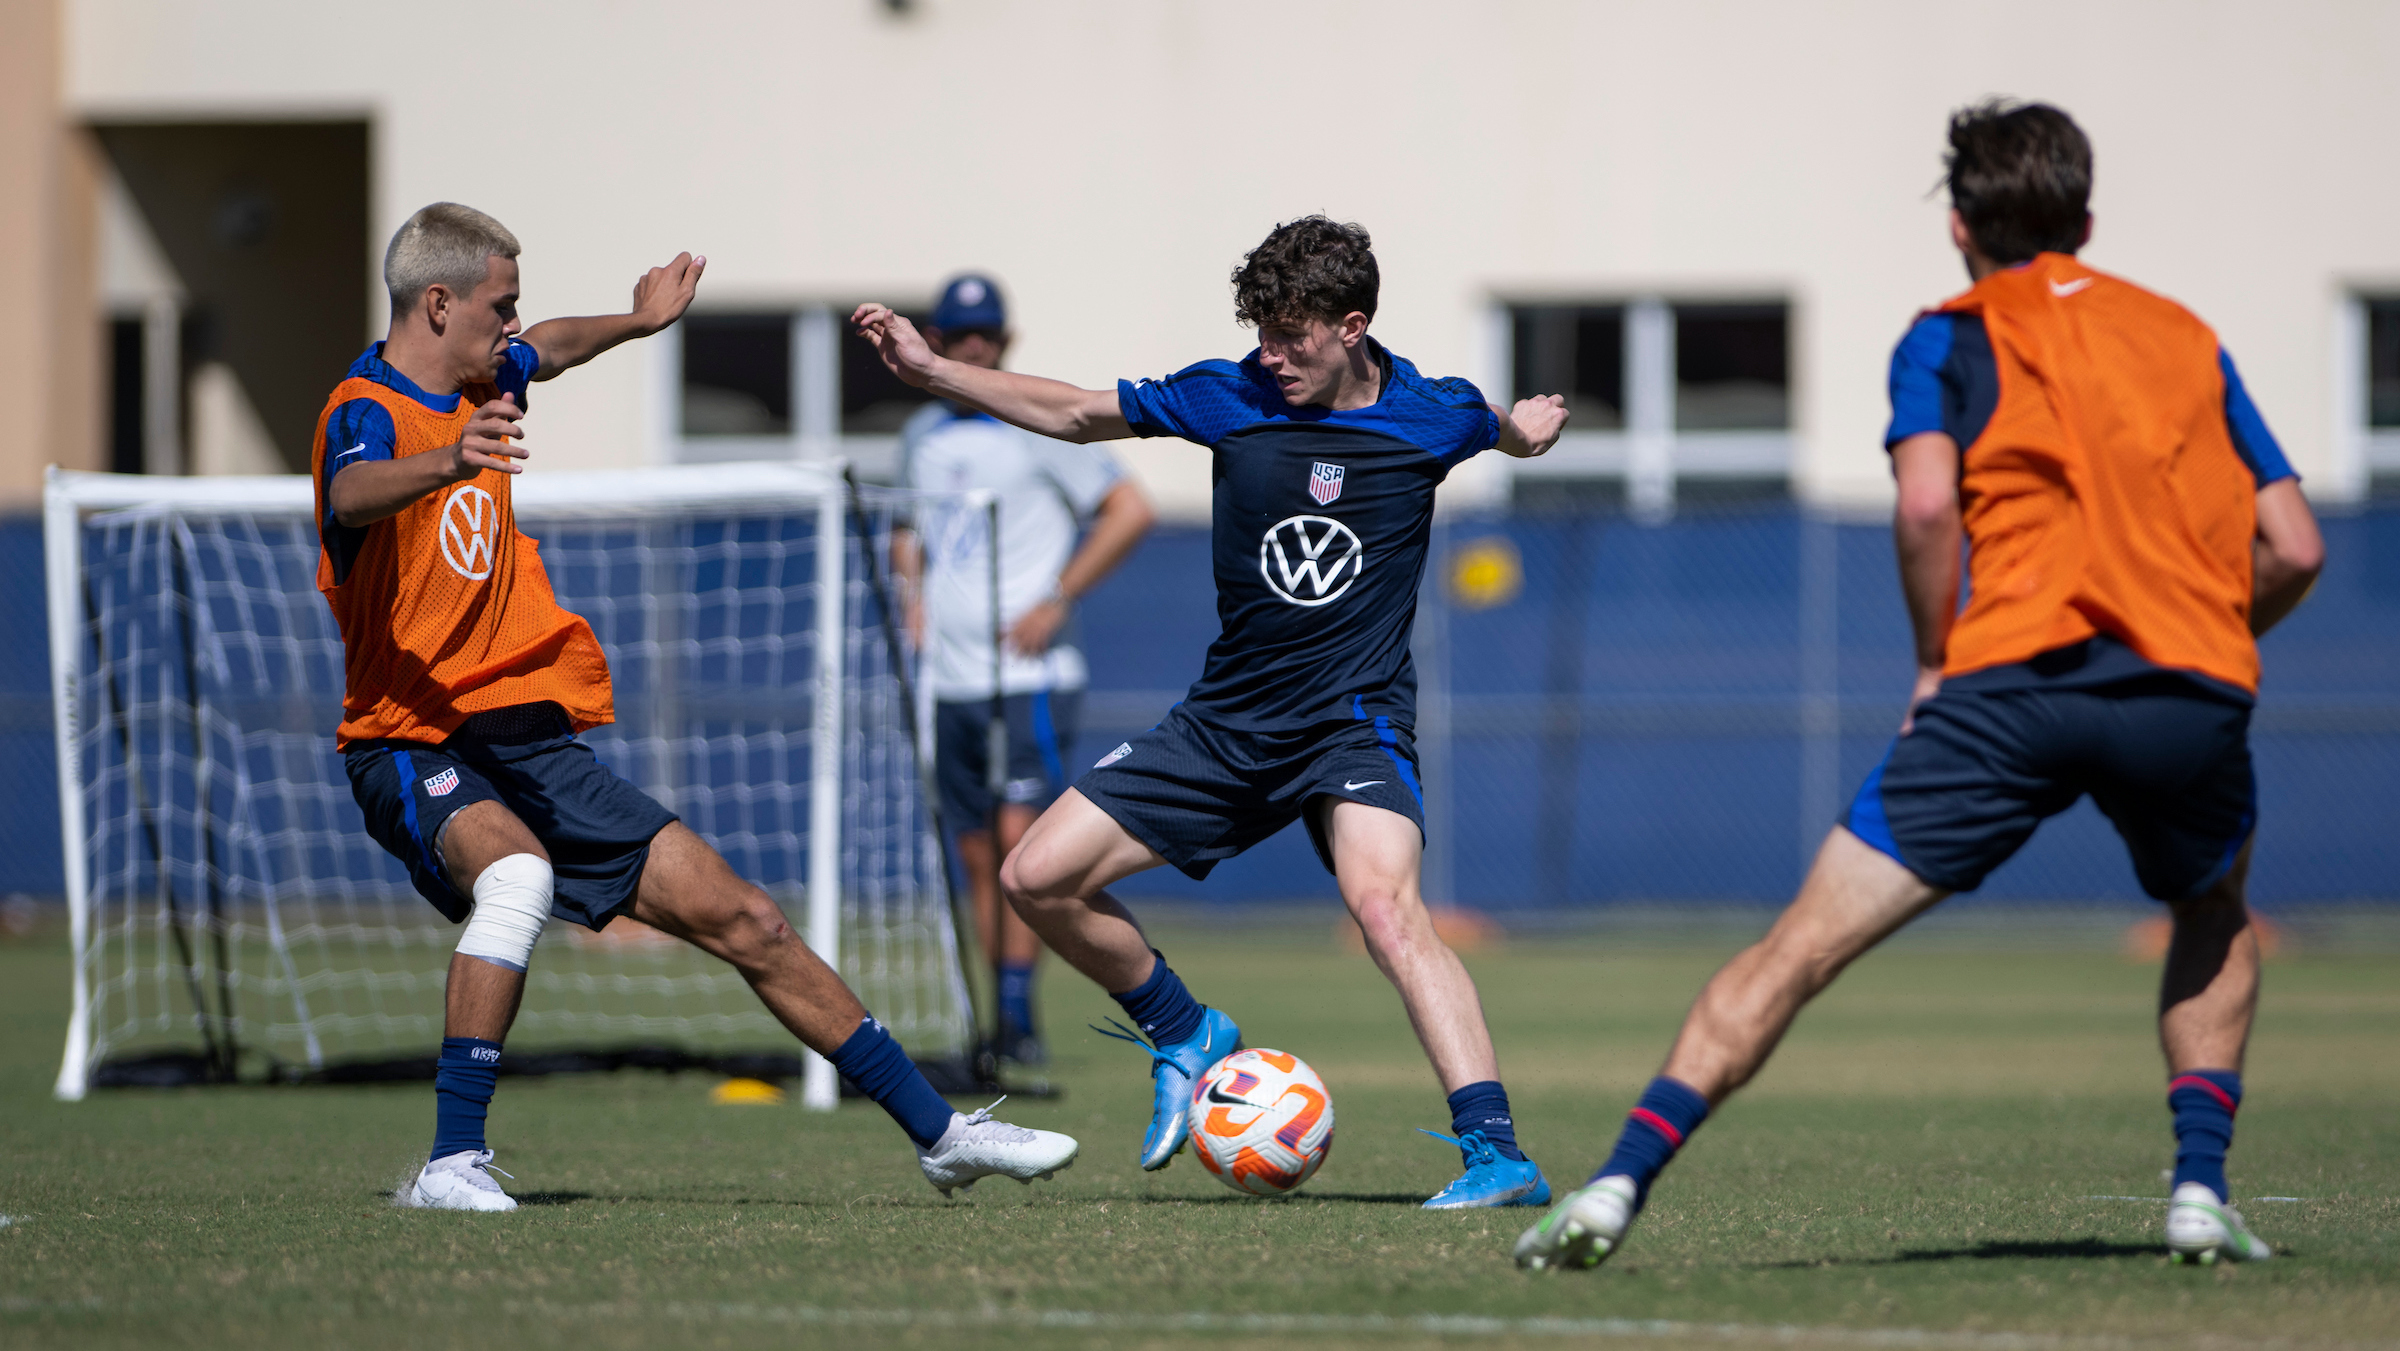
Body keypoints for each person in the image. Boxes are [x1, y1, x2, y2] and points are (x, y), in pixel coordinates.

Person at [1514, 102, 2325, 1271]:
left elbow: (1928, 505)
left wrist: (1937, 657)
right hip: (2184, 697)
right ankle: (2199, 1192)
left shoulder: (1947, 336)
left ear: (1958, 225)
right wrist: (2194, 629)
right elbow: (2295, 543)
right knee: (2211, 911)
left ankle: (1612, 1189)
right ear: (2086, 220)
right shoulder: (2186, 335)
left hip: (2008, 692)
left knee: (1798, 948)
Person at [314, 203, 1076, 1212]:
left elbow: (548, 348)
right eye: (500, 307)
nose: (515, 328)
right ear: (438, 301)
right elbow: (350, 492)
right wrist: (450, 461)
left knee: (749, 918)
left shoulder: (487, 374)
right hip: (409, 737)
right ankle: (452, 1163)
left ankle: (942, 1134)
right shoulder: (364, 408)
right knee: (516, 879)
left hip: (525, 740)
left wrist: (636, 325)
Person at [857, 216, 1571, 1208]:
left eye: (1292, 338)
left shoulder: (1430, 415)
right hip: (1225, 722)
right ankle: (1186, 1031)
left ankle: (1498, 1155)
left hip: (1350, 725)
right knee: (1035, 875)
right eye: (1262, 333)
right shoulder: (1227, 394)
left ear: (1353, 326)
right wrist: (934, 373)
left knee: (1387, 909)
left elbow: (1490, 419)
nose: (1270, 357)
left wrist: (1522, 430)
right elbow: (1069, 411)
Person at [895, 274, 1156, 1066]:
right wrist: (910, 590)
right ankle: (994, 1014)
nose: (974, 349)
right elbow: (910, 529)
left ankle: (1017, 1014)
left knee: (1020, 845)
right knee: (974, 849)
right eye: (958, 337)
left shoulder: (1032, 426)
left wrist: (1057, 597)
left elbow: (1130, 508)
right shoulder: (920, 436)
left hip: (1027, 677)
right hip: (951, 677)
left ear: (1004, 344)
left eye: (987, 338)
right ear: (936, 344)